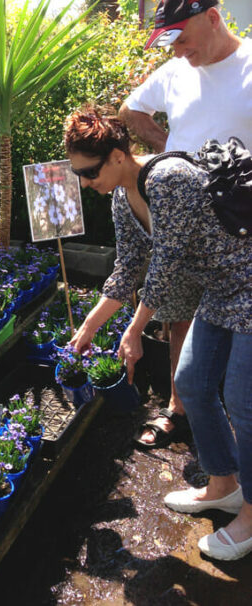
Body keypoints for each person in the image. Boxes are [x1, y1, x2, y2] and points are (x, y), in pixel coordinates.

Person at [64, 106, 252, 561]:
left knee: (243, 401)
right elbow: (129, 265)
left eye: (89, 172)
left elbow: (165, 264)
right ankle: (223, 483)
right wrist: (89, 328)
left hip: (248, 281)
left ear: (115, 155)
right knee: (191, 384)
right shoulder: (120, 198)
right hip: (220, 291)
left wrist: (133, 330)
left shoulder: (169, 179)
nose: (86, 183)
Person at [117, 0, 252, 447]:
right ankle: (181, 408)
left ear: (213, 17)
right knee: (179, 319)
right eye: (169, 40)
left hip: (238, 235)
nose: (177, 50)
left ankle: (234, 421)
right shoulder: (176, 72)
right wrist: (170, 150)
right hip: (179, 225)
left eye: (182, 37)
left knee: (239, 332)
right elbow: (129, 112)